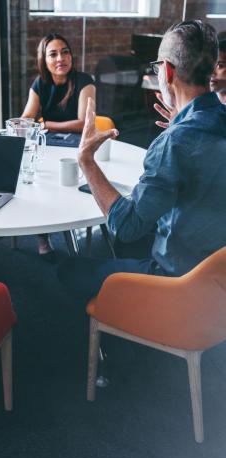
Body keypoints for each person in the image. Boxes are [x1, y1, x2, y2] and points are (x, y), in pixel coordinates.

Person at [58, 20, 226, 301]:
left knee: (69, 269)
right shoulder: (212, 120)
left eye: (156, 66)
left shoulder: (175, 142)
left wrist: (86, 159)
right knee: (125, 248)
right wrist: (180, 125)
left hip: (178, 283)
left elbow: (126, 226)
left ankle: (122, 338)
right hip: (216, 275)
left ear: (168, 71)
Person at [22, 33, 95, 258]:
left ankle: (67, 224)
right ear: (44, 60)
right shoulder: (40, 83)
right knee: (39, 179)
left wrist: (45, 123)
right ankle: (42, 236)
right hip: (49, 145)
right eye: (53, 54)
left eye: (65, 52)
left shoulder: (85, 81)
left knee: (62, 181)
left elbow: (84, 122)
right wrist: (27, 123)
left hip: (76, 147)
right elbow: (26, 117)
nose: (60, 58)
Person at [154, 35, 226, 128]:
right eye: (210, 65)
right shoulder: (206, 103)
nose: (211, 71)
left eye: (220, 65)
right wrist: (180, 125)